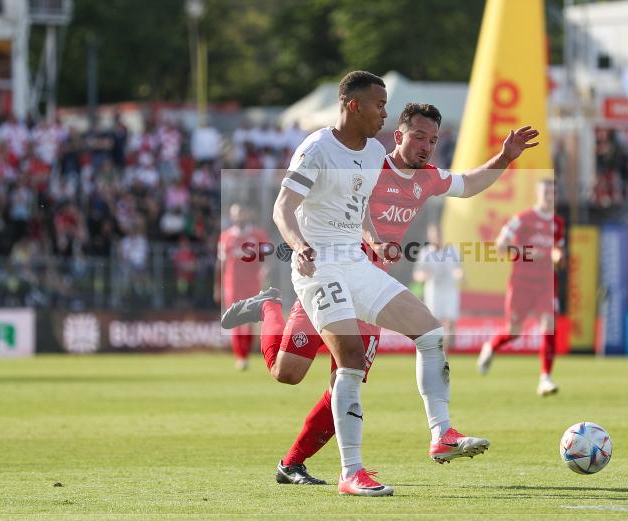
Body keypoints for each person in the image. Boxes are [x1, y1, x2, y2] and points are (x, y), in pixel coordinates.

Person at [224, 79, 538, 493]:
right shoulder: (334, 151)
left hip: (361, 271)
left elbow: (465, 183)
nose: (426, 145)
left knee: (415, 338)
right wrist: (299, 244)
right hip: (321, 268)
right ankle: (269, 308)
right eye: (418, 136)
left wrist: (503, 157)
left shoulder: (414, 173)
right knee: (289, 372)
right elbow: (284, 206)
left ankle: (431, 438)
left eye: (433, 139)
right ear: (395, 132)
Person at [477, 179, 565, 397]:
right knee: (514, 331)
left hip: (546, 282)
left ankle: (545, 378)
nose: (549, 197)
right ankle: (491, 346)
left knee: (549, 323)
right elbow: (500, 245)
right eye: (546, 192)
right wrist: (526, 252)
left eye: (553, 193)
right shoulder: (522, 219)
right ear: (538, 194)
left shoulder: (558, 223)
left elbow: (558, 251)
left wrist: (558, 256)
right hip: (522, 282)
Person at [215, 204, 270, 370]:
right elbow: (221, 263)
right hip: (232, 283)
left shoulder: (258, 234)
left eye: (241, 213)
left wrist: (265, 271)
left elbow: (267, 258)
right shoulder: (225, 237)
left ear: (247, 214)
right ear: (231, 216)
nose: (238, 217)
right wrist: (217, 286)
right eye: (235, 214)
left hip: (252, 283)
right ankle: (240, 356)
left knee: (249, 321)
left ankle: (244, 354)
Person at [413, 223, 463, 351]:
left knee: (449, 323)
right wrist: (424, 275)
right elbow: (417, 275)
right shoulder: (425, 253)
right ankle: (437, 352)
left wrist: (459, 275)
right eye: (434, 235)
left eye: (439, 234)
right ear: (430, 236)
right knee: (435, 324)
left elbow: (458, 270)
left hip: (450, 290)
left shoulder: (453, 251)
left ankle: (445, 354)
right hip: (434, 291)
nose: (437, 237)